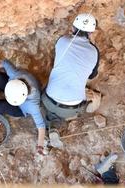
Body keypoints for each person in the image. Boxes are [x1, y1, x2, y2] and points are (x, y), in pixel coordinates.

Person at [41, 13, 100, 147]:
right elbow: (92, 76)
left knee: (51, 106)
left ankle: (49, 125)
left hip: (48, 99)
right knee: (63, 115)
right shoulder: (94, 52)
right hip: (70, 108)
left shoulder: (62, 41)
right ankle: (54, 126)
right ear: (91, 33)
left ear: (73, 28)